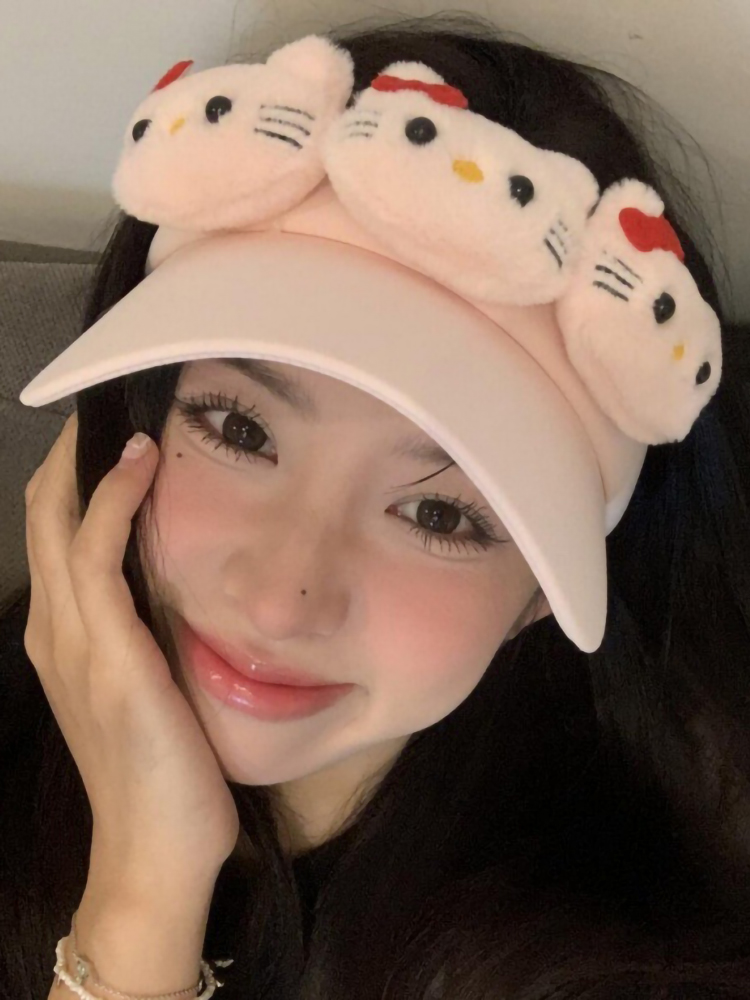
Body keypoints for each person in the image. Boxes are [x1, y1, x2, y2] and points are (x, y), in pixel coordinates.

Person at [2, 12, 750, 999]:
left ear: (543, 590)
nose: (280, 599)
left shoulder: (624, 963)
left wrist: (139, 904)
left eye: (441, 515)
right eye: (238, 428)